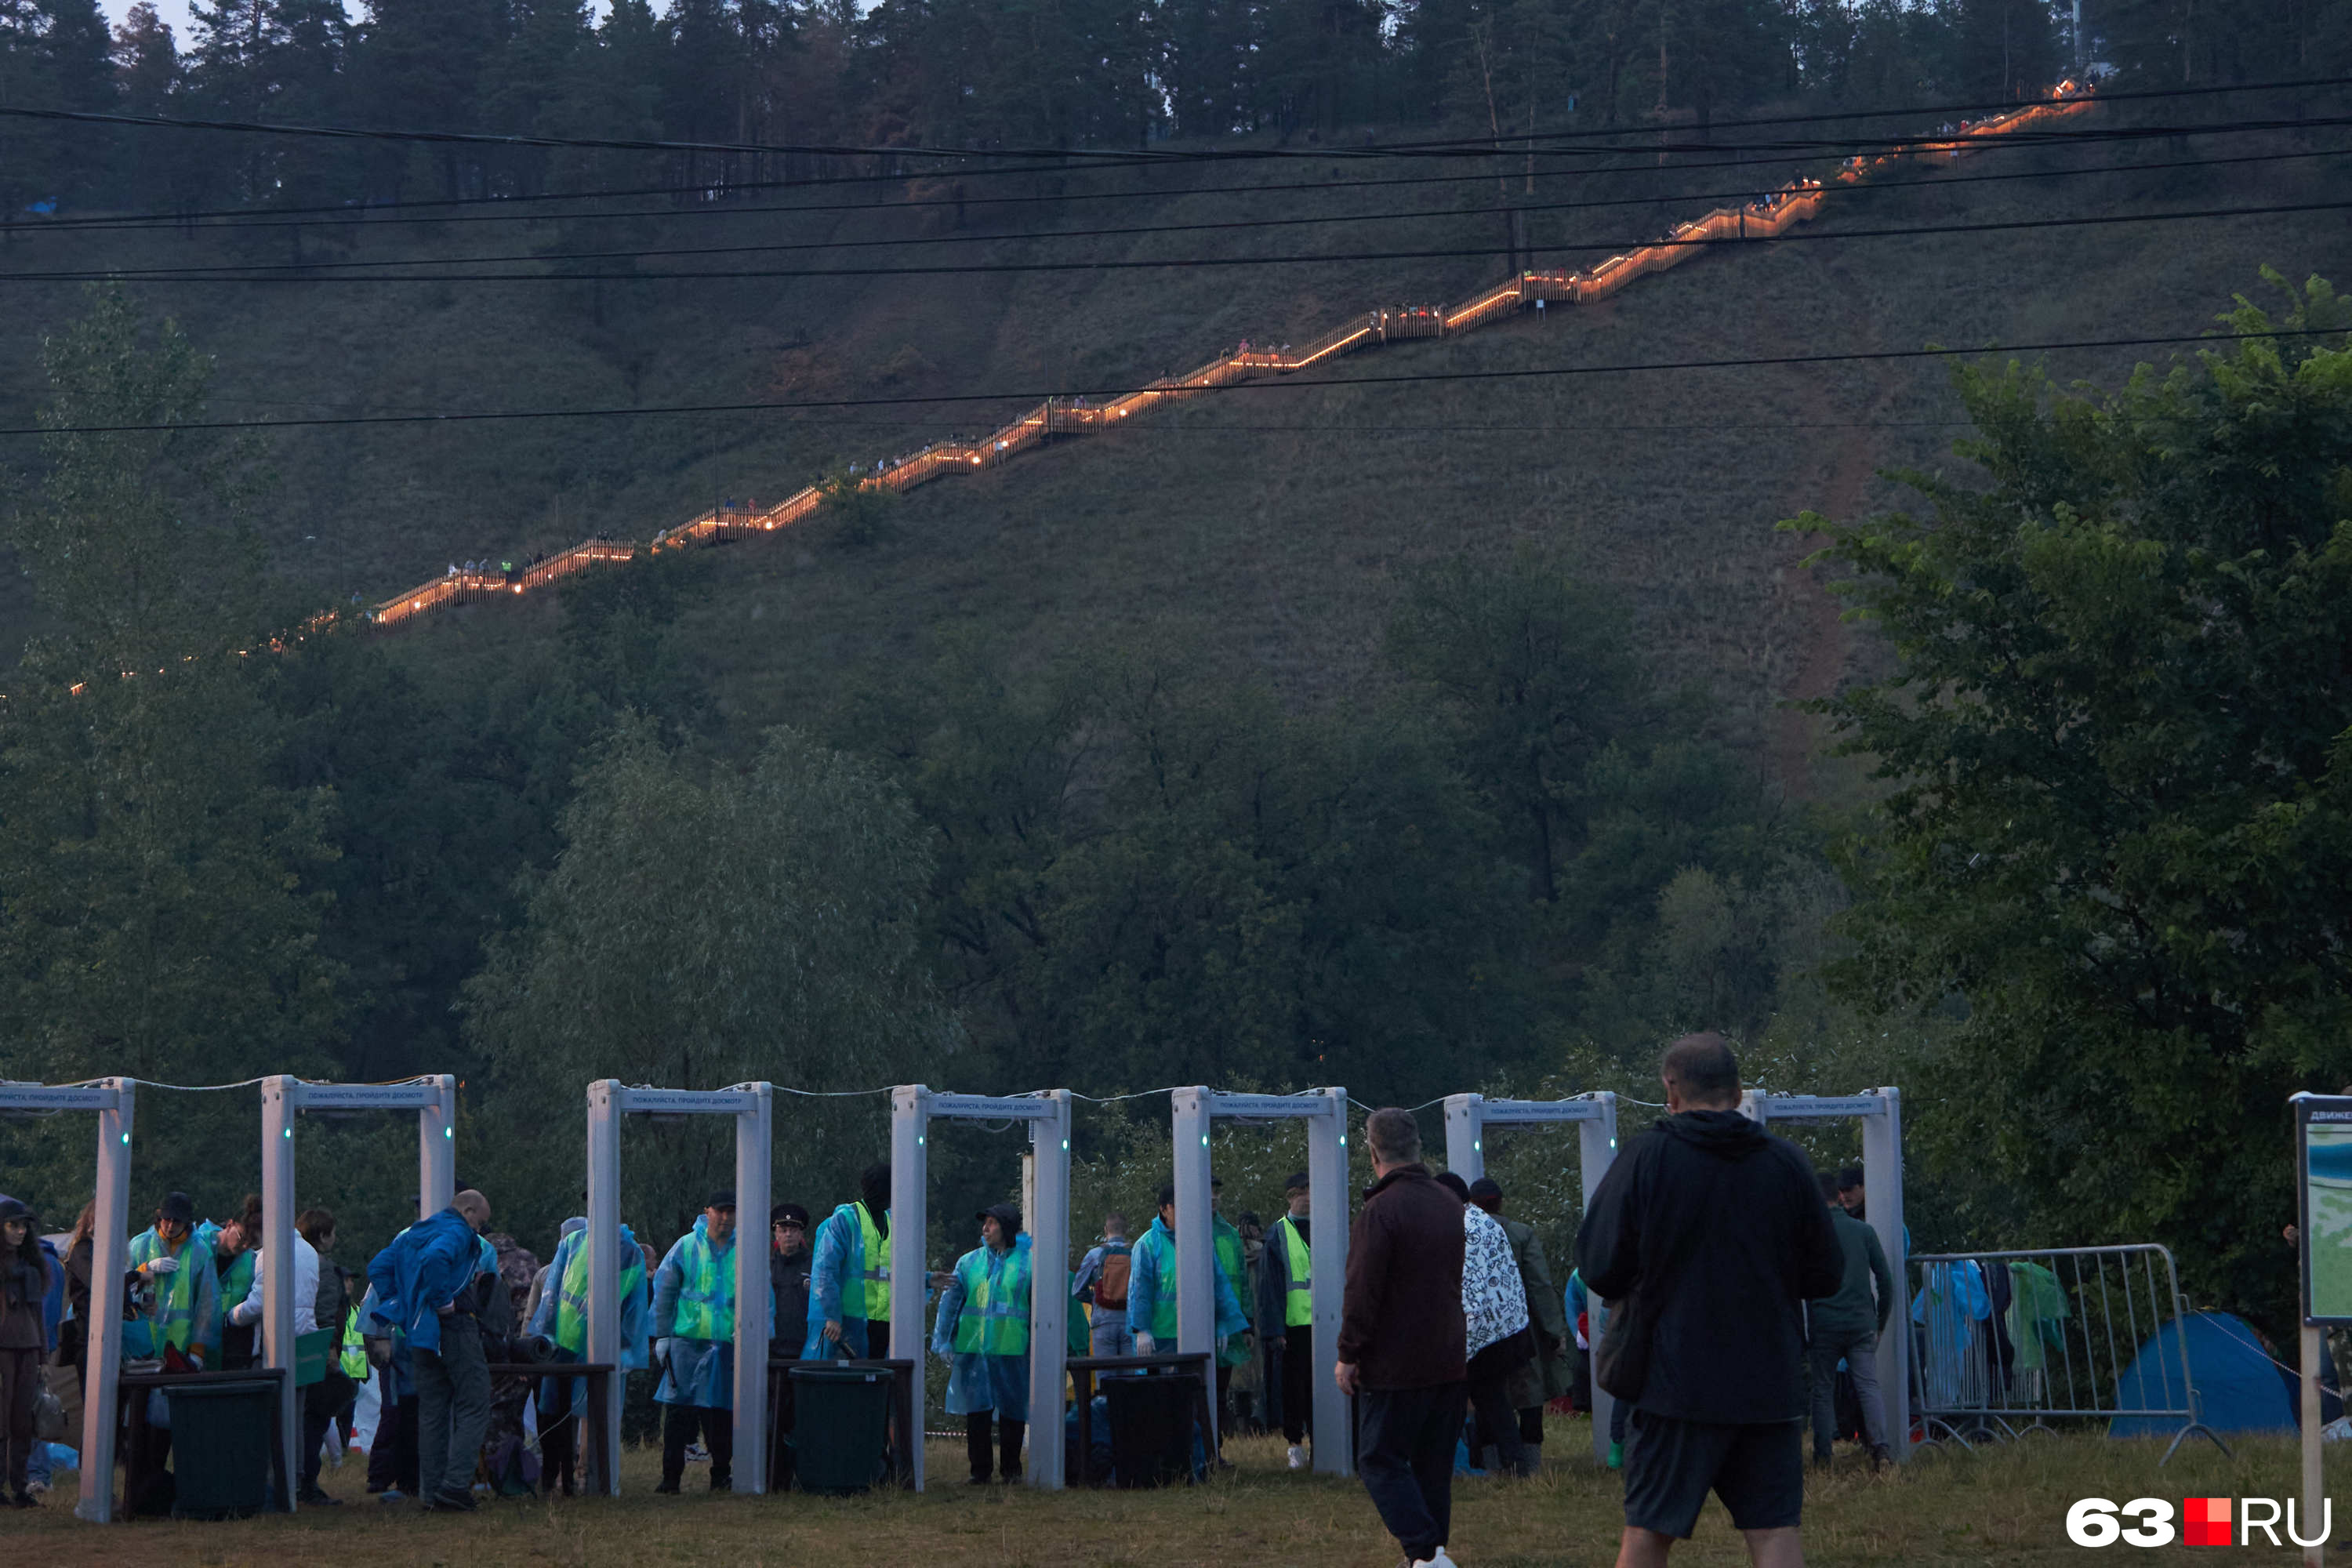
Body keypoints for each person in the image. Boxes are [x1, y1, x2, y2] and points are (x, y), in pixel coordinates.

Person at [1577, 1033, 1842, 1568]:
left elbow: (1600, 1268)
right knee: (1774, 1533)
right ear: (1738, 1089)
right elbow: (1827, 1272)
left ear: (1670, 1091)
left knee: (1649, 1533)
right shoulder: (1785, 1163)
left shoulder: (1646, 1158)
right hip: (1768, 1382)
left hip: (1673, 1382)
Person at [1338, 1109, 1466, 1568]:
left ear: (1372, 1152)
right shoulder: (1449, 1204)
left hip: (1396, 1362)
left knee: (1378, 1459)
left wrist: (1349, 1353)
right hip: (1449, 1355)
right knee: (1433, 1468)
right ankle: (1430, 1557)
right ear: (1418, 1148)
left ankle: (1424, 1553)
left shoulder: (1380, 1211)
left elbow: (1362, 1290)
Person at [368, 1189, 498, 1512]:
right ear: (468, 1212)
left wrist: (397, 1302)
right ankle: (455, 1487)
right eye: (479, 1224)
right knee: (475, 1403)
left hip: (418, 1332)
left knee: (432, 1410)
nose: (478, 1232)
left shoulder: (415, 1232)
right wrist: (443, 1302)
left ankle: (430, 1492)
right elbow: (436, 1258)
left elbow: (378, 1266)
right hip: (453, 1327)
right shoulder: (456, 1231)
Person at [527, 1214, 652, 1497]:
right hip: (564, 1346)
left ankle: (594, 1478)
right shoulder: (573, 1242)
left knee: (595, 1413)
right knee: (556, 1414)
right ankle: (558, 1479)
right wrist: (545, 1335)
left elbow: (633, 1305)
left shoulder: (629, 1251)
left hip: (601, 1347)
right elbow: (553, 1291)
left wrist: (627, 1348)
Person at [1471, 1177, 1573, 1470]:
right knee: (1529, 1394)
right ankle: (1529, 1466)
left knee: (1487, 1395)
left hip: (1481, 1330)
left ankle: (1491, 1465)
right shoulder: (1520, 1234)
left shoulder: (1464, 1234)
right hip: (1521, 1328)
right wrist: (1553, 1330)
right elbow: (1539, 1285)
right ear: (1500, 1202)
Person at [1436, 1171, 1534, 1479]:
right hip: (1507, 1328)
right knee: (1492, 1398)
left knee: (1455, 1397)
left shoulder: (1463, 1229)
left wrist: (1460, 1339)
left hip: (1483, 1333)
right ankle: (1512, 1462)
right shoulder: (1483, 1221)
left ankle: (1454, 1463)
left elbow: (1470, 1288)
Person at [931, 1203, 1031, 1484]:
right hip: (974, 1351)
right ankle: (980, 1472)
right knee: (978, 1413)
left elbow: (1038, 1307)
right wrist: (943, 1342)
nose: (985, 1229)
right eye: (984, 1223)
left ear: (1006, 1228)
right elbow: (950, 1305)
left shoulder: (1029, 1263)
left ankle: (1012, 1471)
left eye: (991, 1223)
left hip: (1012, 1349)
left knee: (1013, 1413)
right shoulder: (969, 1262)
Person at [654, 1191, 742, 1494]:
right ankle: (670, 1479)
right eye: (720, 1211)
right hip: (687, 1345)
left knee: (720, 1414)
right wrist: (662, 1334)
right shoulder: (686, 1247)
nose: (726, 1218)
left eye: (731, 1212)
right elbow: (664, 1290)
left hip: (726, 1345)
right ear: (707, 1212)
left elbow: (760, 1297)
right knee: (678, 1414)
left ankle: (721, 1475)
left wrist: (755, 1332)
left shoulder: (743, 1250)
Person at [1806, 1174, 1893, 1470]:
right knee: (1868, 1386)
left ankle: (1822, 1457)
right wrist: (1879, 1321)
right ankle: (1881, 1450)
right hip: (1861, 1324)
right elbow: (1885, 1280)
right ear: (1838, 1197)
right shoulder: (1864, 1231)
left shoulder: (1811, 1235)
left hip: (1825, 1324)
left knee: (1822, 1390)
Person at [1126, 1185, 1248, 1363]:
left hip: (1195, 1332)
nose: (1184, 1211)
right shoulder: (1148, 1244)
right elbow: (1139, 1291)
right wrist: (1141, 1329)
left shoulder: (1201, 1241)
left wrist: (1222, 1321)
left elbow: (1219, 1283)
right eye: (1178, 1205)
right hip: (1160, 1337)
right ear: (1164, 1209)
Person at [296, 1209, 362, 1504]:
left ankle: (301, 1479)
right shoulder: (323, 1268)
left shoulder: (295, 1261)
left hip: (299, 1348)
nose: (335, 1237)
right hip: (317, 1350)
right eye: (332, 1232)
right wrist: (329, 1351)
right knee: (316, 1417)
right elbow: (324, 1313)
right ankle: (306, 1481)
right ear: (323, 1236)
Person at [806, 1164, 891, 1359]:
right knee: (848, 1382)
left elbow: (897, 1269)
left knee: (879, 1383)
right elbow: (825, 1270)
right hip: (850, 1321)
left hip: (887, 1321)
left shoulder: (894, 1221)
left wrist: (927, 1279)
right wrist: (832, 1315)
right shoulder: (846, 1219)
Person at [1261, 1171, 1316, 1469]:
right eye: (1302, 1193)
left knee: (1319, 1390)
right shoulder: (1277, 1234)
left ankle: (1324, 1443)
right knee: (1293, 1389)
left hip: (1324, 1325)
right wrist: (1276, 1330)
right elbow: (1270, 1287)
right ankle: (1295, 1445)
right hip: (1293, 1327)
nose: (1307, 1198)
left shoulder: (1326, 1226)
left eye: (1311, 1191)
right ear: (1291, 1197)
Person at [126, 1191, 219, 1367]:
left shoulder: (199, 1252)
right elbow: (119, 1289)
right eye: (166, 1219)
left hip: (179, 1348)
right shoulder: (140, 1245)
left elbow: (207, 1304)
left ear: (187, 1222)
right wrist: (144, 1269)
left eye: (177, 1221)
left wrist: (197, 1350)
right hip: (140, 1345)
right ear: (159, 1216)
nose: (170, 1226)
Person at [2, 1197, 47, 1508]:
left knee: (23, 1422)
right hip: (2, 1347)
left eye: (23, 1226)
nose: (20, 1232)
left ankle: (19, 1488)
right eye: (13, 1225)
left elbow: (38, 1314)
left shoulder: (32, 1268)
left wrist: (44, 1358)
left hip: (28, 1347)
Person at [1207, 1178, 1255, 1457]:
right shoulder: (1190, 1227)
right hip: (1202, 1324)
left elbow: (1243, 1283)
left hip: (1230, 1325)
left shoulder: (1228, 1232)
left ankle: (1216, 1450)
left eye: (1217, 1192)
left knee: (1221, 1390)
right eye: (1210, 1191)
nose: (1214, 1197)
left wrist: (1247, 1323)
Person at [768, 1203, 813, 1491]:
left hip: (804, 1352)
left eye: (793, 1230)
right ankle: (775, 1477)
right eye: (783, 1229)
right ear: (775, 1232)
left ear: (801, 1233)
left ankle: (803, 1475)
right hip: (771, 1354)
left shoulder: (813, 1265)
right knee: (772, 1419)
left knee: (802, 1419)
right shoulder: (764, 1264)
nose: (788, 1235)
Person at [199, 1196, 263, 1370]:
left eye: (251, 1243)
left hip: (228, 1348)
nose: (244, 1247)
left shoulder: (250, 1260)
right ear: (229, 1224)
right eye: (242, 1238)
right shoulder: (198, 1246)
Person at [1070, 1214, 1133, 1358]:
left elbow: (1077, 1291)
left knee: (1104, 1375)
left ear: (1106, 1230)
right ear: (1126, 1230)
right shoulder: (1135, 1253)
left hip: (1103, 1322)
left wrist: (1097, 1298)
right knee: (1130, 1376)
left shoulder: (1094, 1255)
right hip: (1129, 1322)